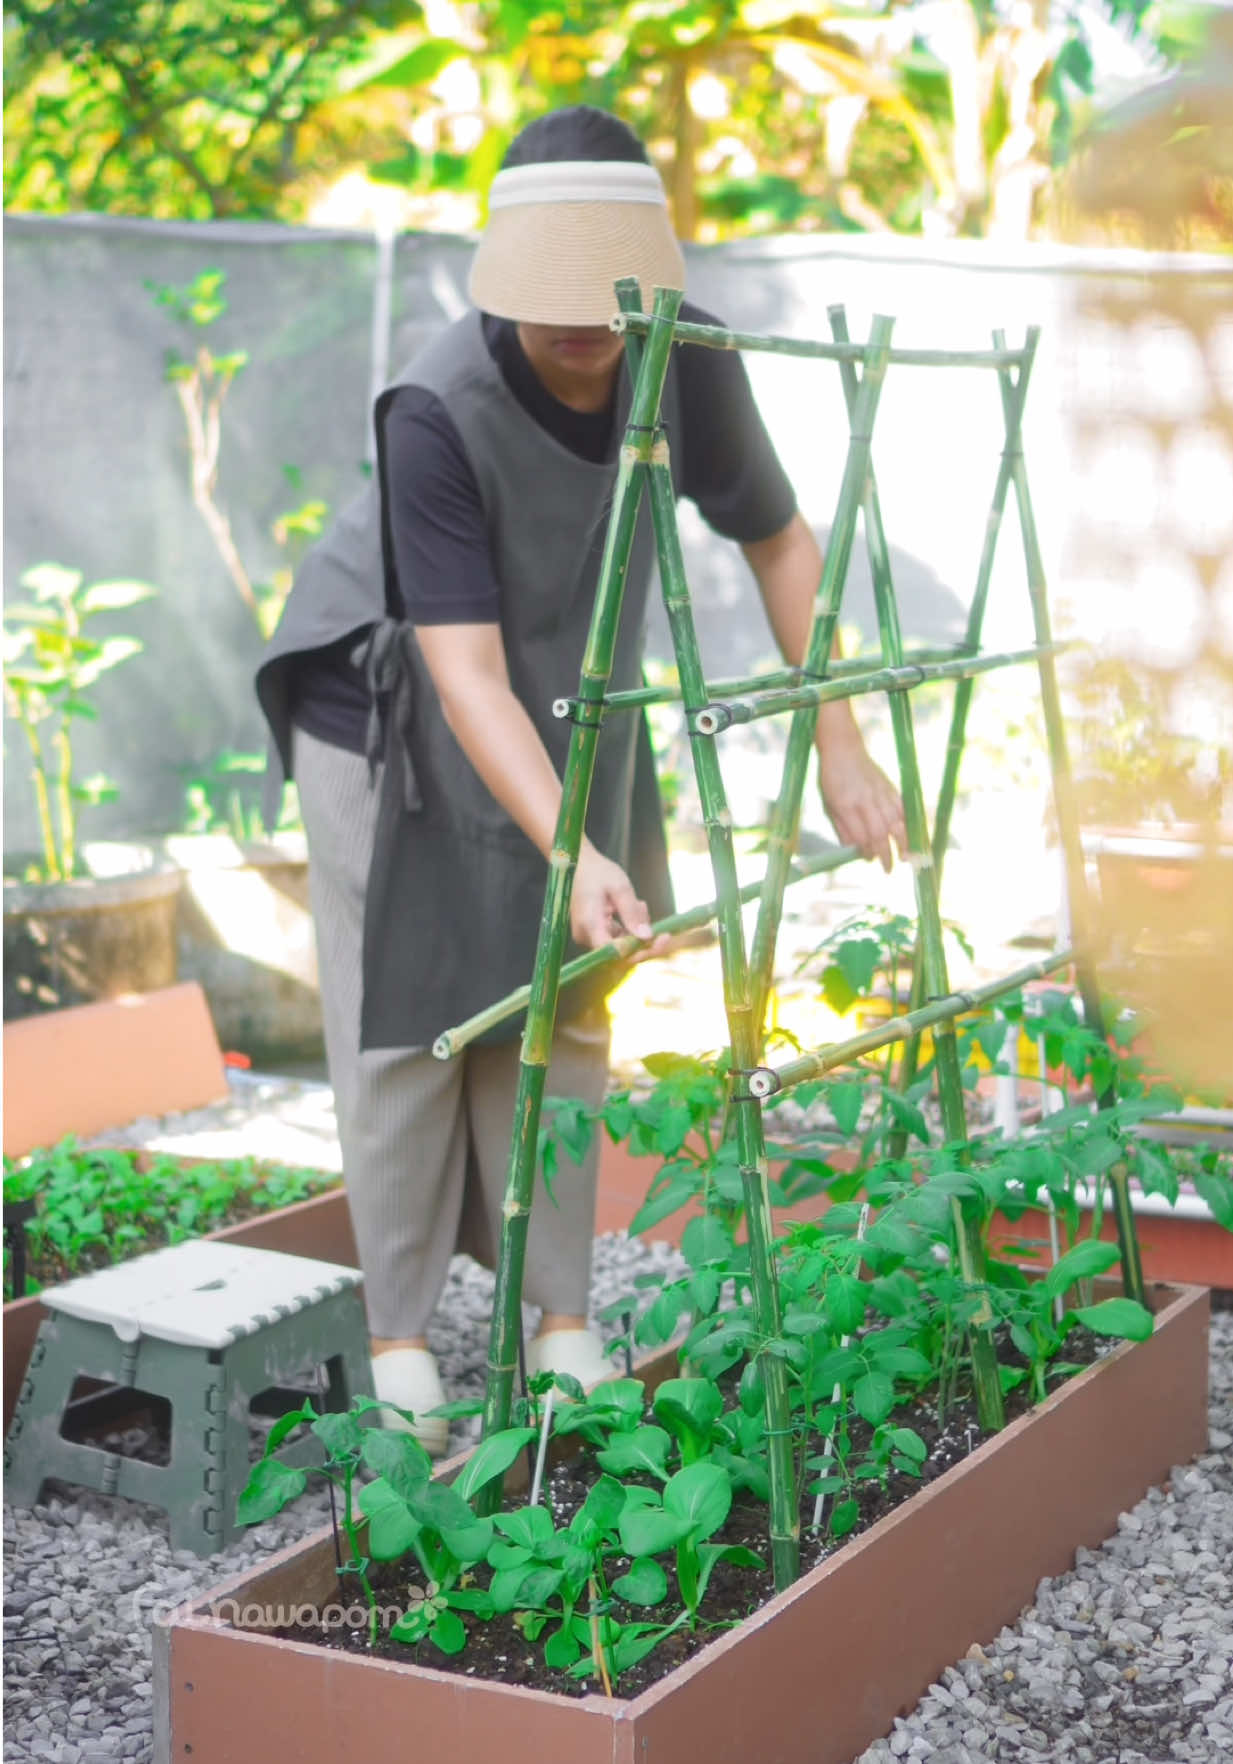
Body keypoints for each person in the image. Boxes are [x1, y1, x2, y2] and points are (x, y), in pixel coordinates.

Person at [256, 105, 904, 1454]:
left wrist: (833, 734)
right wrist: (572, 849)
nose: (578, 332)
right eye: (549, 304)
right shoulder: (433, 407)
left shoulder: (683, 355)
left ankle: (558, 1319)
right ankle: (396, 1345)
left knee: (570, 994)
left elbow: (779, 540)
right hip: (389, 707)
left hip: (569, 688)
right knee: (418, 1019)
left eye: (600, 305)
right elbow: (462, 677)